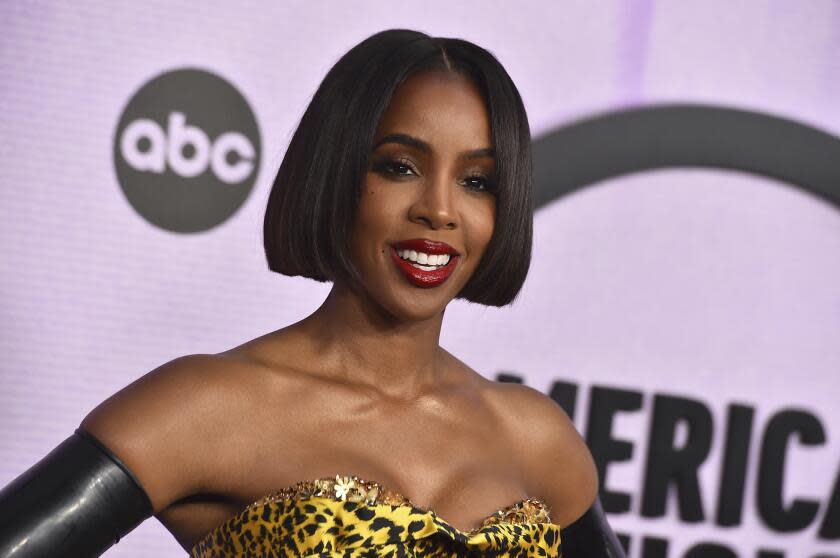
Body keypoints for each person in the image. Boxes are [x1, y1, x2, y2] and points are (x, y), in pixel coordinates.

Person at [0, 29, 625, 557]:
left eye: (476, 180)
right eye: (399, 167)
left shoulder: (538, 439)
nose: (439, 210)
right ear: (337, 172)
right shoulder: (210, 407)